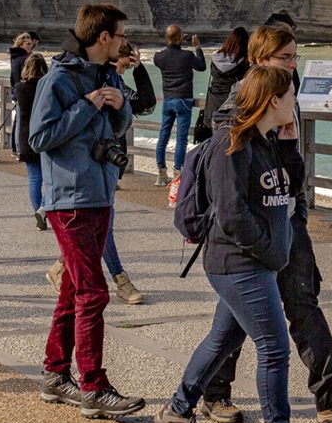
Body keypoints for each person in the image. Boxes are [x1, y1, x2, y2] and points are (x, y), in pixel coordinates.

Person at [153, 66, 331, 423]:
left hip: (256, 262)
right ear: (272, 100)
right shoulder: (230, 145)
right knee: (273, 348)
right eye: (291, 95)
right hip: (238, 264)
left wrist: (289, 148)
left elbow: (289, 188)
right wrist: (271, 251)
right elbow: (232, 215)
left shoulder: (267, 140)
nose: (295, 103)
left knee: (223, 339)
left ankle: (177, 411)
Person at [202, 24, 332, 423]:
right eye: (285, 58)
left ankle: (330, 395)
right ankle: (210, 395)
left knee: (303, 301)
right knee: (235, 314)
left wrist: (298, 213)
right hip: (256, 227)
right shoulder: (239, 103)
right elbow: (234, 174)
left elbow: (290, 165)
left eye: (295, 57)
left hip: (287, 218)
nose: (292, 65)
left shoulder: (286, 94)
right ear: (260, 61)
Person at [28, 3, 146, 420]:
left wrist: (118, 106)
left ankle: (56, 375)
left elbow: (119, 126)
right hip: (70, 200)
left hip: (100, 193)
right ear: (103, 38)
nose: (123, 43)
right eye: (119, 36)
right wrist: (90, 104)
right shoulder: (59, 78)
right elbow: (39, 136)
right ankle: (94, 386)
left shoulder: (108, 74)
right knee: (93, 292)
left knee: (73, 291)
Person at [43, 44, 148, 306]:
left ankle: (60, 267)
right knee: (105, 228)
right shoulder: (89, 83)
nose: (123, 66)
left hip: (111, 164)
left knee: (96, 232)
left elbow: (146, 104)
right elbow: (43, 135)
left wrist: (139, 70)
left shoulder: (116, 84)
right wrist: (89, 105)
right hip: (88, 168)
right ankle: (121, 280)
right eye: (124, 62)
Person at [153, 25, 207, 186]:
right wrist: (197, 46)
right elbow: (202, 67)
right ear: (179, 38)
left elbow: (161, 57)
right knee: (181, 139)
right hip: (183, 99)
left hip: (168, 100)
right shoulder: (187, 55)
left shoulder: (159, 57)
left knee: (163, 135)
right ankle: (177, 173)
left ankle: (161, 174)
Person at [16, 53, 51, 231]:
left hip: (25, 136)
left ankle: (38, 214)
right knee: (50, 178)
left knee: (34, 179)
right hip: (45, 135)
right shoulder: (46, 86)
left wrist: (16, 145)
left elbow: (19, 117)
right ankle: (43, 208)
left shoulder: (20, 88)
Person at [197, 27, 250, 141]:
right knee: (228, 141)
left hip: (212, 104)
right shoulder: (244, 62)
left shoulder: (216, 58)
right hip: (229, 106)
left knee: (211, 143)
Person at [6, 31, 41, 152]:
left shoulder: (15, 57)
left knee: (18, 120)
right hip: (22, 91)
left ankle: (16, 148)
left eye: (31, 44)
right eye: (27, 43)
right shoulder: (22, 59)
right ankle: (19, 149)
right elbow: (20, 76)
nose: (30, 46)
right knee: (21, 122)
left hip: (17, 91)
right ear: (20, 44)